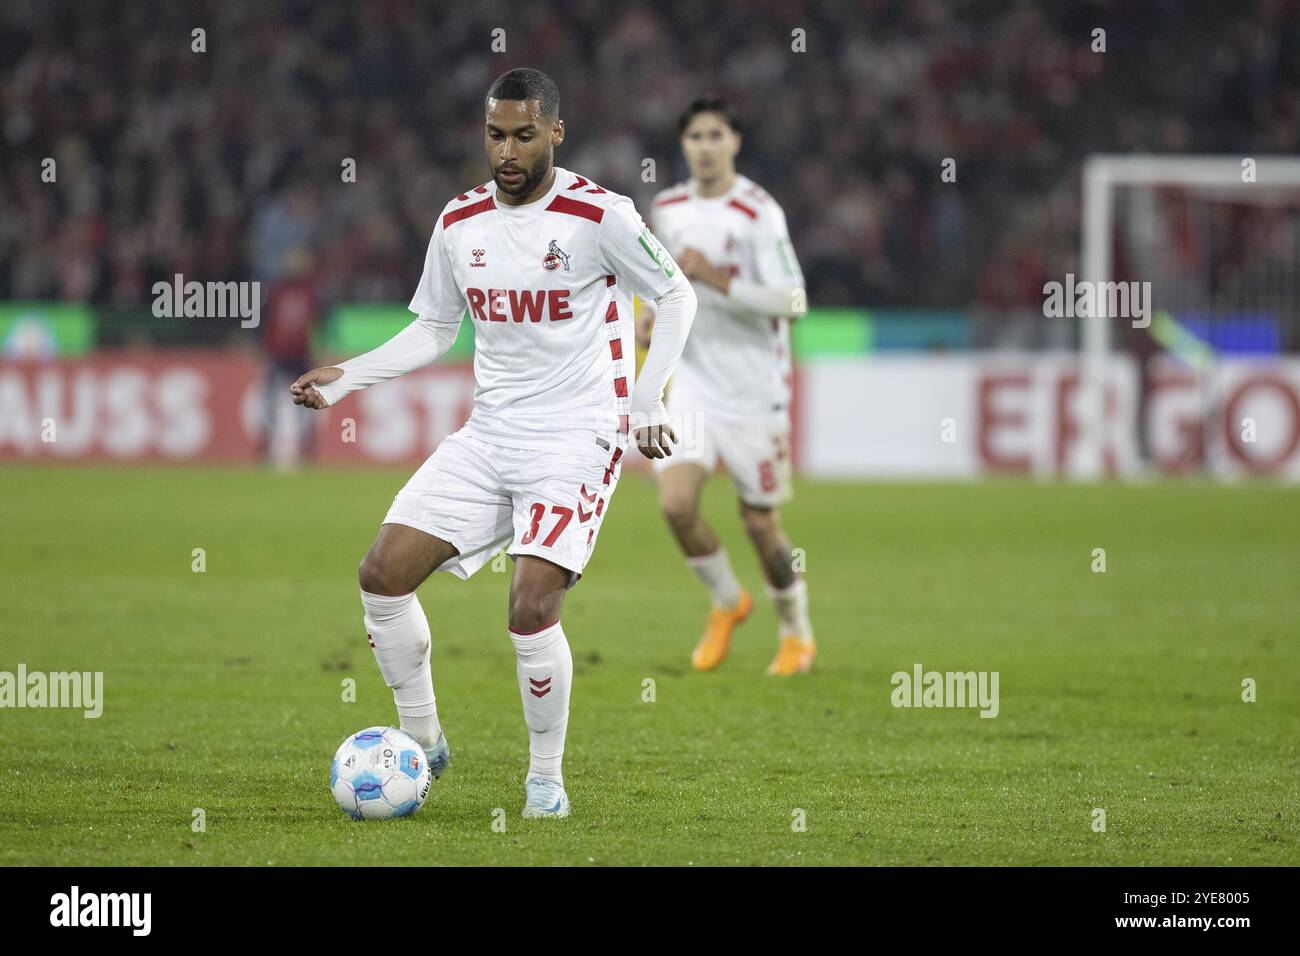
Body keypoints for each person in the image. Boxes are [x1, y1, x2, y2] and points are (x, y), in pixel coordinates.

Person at [292, 68, 696, 818]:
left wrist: (647, 398)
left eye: (523, 135)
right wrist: (346, 378)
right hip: (491, 434)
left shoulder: (599, 215)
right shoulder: (460, 222)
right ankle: (422, 741)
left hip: (579, 435)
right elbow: (437, 330)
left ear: (555, 134)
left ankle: (545, 781)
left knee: (530, 605)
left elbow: (675, 294)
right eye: (495, 135)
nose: (506, 151)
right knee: (381, 575)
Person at [638, 98, 814, 676]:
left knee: (759, 522)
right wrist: (648, 319)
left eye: (716, 134)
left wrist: (714, 277)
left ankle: (795, 631)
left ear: (735, 142)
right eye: (695, 136)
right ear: (684, 145)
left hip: (754, 391)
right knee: (676, 504)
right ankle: (726, 601)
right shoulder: (665, 209)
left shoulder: (758, 212)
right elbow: (659, 287)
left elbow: (793, 300)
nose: (705, 145)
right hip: (691, 384)